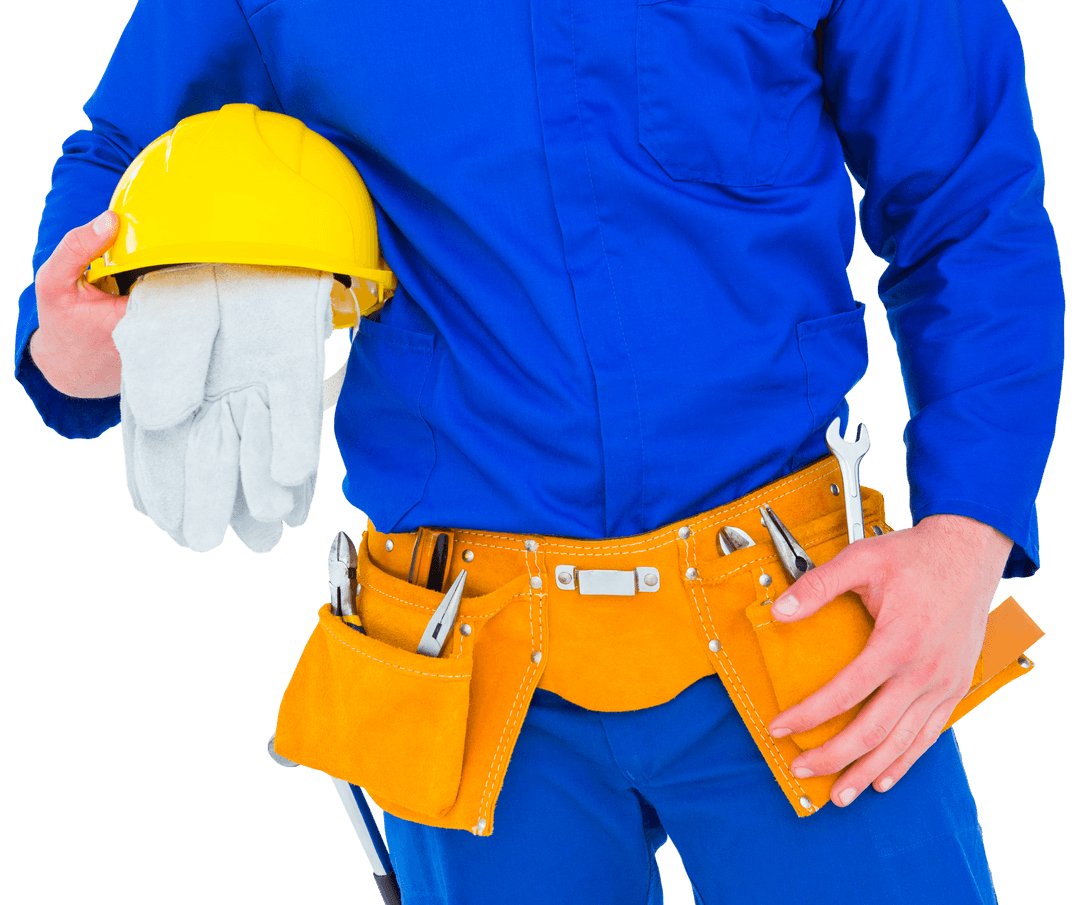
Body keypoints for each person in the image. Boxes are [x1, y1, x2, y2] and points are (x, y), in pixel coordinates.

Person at [15, 1, 1064, 903]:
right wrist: (77, 330)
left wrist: (966, 537)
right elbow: (115, 155)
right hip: (463, 665)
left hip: (801, 625)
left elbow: (967, 204)